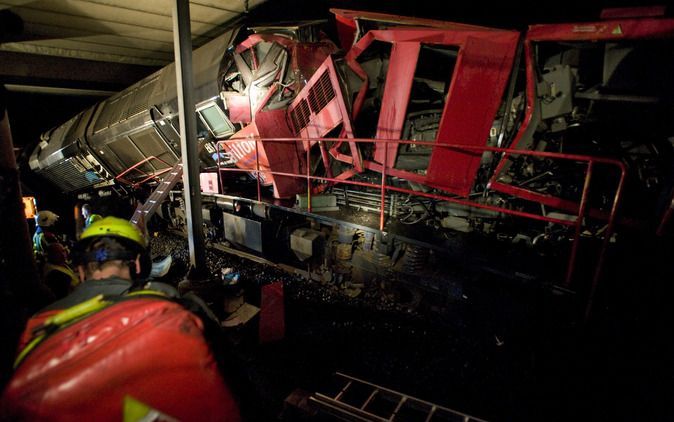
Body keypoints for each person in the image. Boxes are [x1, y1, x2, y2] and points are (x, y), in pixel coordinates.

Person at [1, 217, 241, 421]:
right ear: (138, 264)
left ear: (82, 270)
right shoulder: (174, 302)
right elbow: (230, 372)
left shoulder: (37, 325)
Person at [32, 210, 78, 299]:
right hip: (55, 264)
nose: (54, 224)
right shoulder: (47, 235)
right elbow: (57, 250)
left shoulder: (36, 234)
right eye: (52, 221)